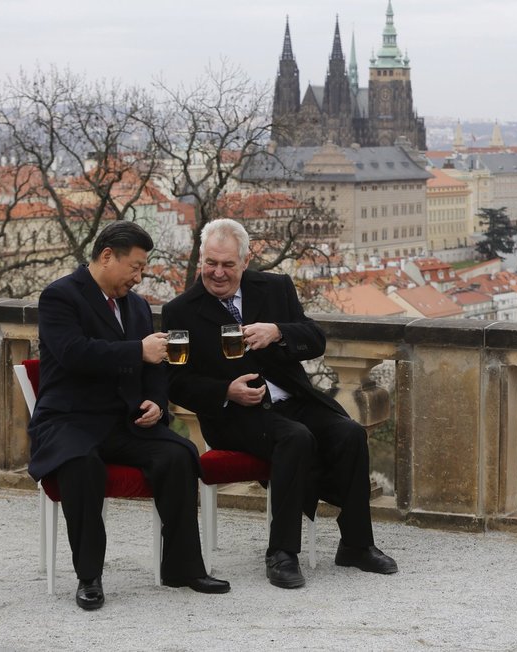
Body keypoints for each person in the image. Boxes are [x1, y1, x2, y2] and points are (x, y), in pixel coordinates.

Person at [162, 218, 397, 589]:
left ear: (244, 260)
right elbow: (175, 382)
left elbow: (315, 339)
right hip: (234, 415)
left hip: (291, 399)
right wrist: (226, 390)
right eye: (210, 263)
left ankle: (356, 544)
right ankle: (282, 553)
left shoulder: (275, 288)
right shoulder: (181, 310)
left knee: (349, 432)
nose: (217, 273)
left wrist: (278, 332)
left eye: (227, 264)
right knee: (295, 438)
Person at [28, 221, 229, 610]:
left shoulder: (135, 305)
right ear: (107, 257)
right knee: (81, 465)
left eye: (142, 269)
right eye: (135, 267)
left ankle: (182, 568)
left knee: (178, 454)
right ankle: (89, 577)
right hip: (69, 420)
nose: (139, 277)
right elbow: (74, 353)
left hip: (124, 422)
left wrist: (155, 400)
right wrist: (137, 350)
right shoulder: (60, 297)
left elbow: (155, 368)